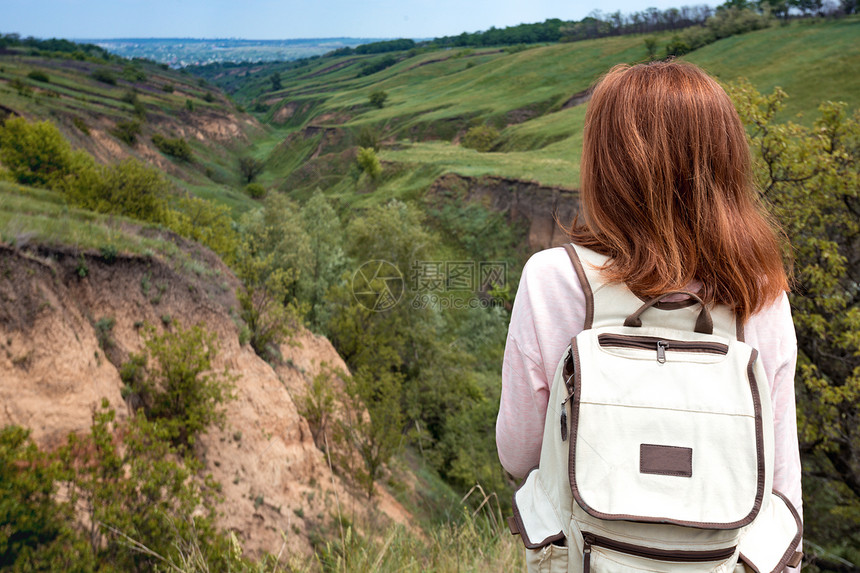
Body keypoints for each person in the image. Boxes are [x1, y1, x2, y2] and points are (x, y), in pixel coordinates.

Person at [496, 60, 802, 536]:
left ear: (607, 165)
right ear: (724, 164)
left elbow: (518, 454)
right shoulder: (760, 294)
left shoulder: (556, 279)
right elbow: (780, 484)